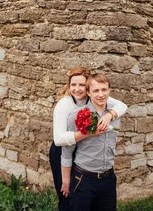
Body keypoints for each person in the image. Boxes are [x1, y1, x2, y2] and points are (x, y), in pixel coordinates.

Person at [50, 68, 126, 211]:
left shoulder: (107, 106)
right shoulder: (67, 107)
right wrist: (89, 132)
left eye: (81, 85)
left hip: (104, 172)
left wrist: (110, 115)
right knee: (68, 195)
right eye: (73, 85)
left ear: (86, 88)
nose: (77, 89)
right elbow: (60, 140)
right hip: (63, 145)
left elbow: (122, 106)